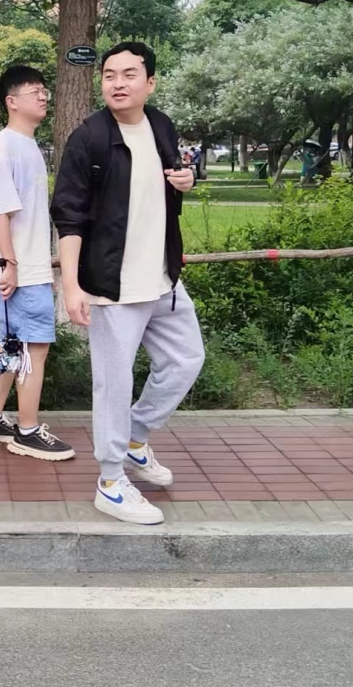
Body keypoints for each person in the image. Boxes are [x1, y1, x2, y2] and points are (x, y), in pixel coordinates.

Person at [51, 41, 203, 525]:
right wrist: (71, 286)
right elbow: (69, 216)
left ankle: (135, 438)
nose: (117, 83)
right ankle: (111, 481)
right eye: (109, 75)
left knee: (186, 360)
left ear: (150, 82)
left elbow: (168, 184)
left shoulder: (161, 125)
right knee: (113, 386)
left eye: (129, 74)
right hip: (111, 286)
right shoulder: (89, 138)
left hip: (162, 279)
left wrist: (186, 181)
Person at [0, 66, 74, 461]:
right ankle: (27, 431)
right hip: (20, 270)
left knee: (12, 343)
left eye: (44, 90)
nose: (44, 96)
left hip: (25, 266)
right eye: (35, 91)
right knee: (35, 346)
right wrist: (10, 263)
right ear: (11, 101)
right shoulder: (5, 147)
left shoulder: (25, 144)